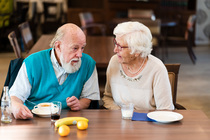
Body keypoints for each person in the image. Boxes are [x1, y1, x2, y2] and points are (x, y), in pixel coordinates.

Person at [9, 23, 100, 119]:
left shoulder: (88, 64)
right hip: (33, 118)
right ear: (58, 46)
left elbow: (87, 99)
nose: (80, 54)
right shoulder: (32, 62)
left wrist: (79, 104)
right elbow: (16, 96)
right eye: (75, 48)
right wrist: (16, 106)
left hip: (68, 119)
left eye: (82, 48)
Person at [102, 21, 174, 110]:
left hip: (148, 121)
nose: (115, 50)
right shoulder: (114, 61)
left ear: (137, 51)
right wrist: (123, 115)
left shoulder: (157, 69)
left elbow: (165, 110)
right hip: (119, 121)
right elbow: (108, 97)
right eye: (115, 43)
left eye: (120, 46)